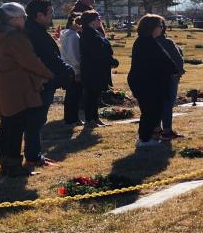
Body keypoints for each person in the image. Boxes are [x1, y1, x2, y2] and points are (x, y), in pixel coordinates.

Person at [0, 2, 53, 176]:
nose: (25, 19)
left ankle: (5, 164)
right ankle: (14, 167)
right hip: (17, 88)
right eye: (22, 16)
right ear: (12, 19)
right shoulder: (14, 38)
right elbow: (30, 61)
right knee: (16, 128)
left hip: (3, 87)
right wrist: (49, 74)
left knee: (7, 126)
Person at [23, 0, 73, 168]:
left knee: (36, 120)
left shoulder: (34, 29)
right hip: (41, 82)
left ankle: (34, 155)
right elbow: (50, 59)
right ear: (39, 15)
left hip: (41, 81)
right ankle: (33, 157)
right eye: (50, 12)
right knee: (36, 120)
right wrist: (67, 71)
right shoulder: (35, 32)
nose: (52, 16)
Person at [127, 15, 178, 148]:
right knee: (150, 111)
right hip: (146, 83)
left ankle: (146, 137)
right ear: (151, 28)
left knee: (152, 111)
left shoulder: (148, 41)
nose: (162, 29)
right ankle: (145, 139)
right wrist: (171, 69)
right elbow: (158, 63)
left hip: (148, 82)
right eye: (160, 26)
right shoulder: (146, 42)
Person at [78, 11, 116, 129]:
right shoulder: (89, 34)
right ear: (91, 21)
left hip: (97, 69)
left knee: (95, 96)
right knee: (91, 96)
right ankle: (90, 119)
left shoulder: (94, 32)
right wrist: (111, 61)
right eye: (98, 18)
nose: (100, 20)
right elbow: (97, 53)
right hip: (93, 70)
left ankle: (95, 118)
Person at [157, 25, 186, 140]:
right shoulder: (167, 42)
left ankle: (157, 129)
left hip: (156, 77)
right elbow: (178, 59)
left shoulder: (147, 42)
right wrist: (179, 72)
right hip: (170, 77)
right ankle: (167, 130)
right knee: (168, 103)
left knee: (158, 103)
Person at [59, 12, 84, 125]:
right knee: (74, 95)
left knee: (72, 94)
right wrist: (78, 70)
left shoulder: (67, 34)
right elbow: (74, 55)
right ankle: (71, 118)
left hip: (69, 67)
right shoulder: (73, 36)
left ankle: (71, 118)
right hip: (74, 69)